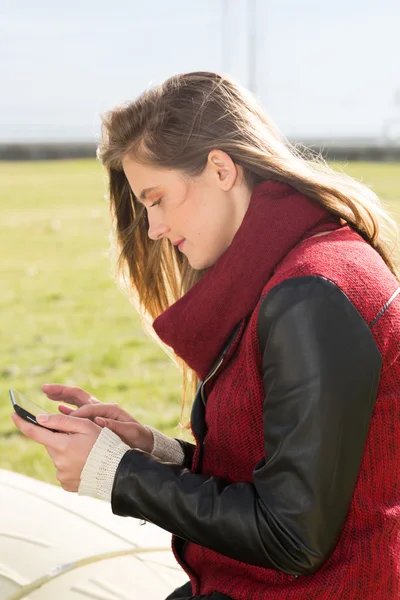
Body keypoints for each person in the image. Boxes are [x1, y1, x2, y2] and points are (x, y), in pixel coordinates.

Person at [12, 71, 400, 599]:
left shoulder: (311, 295)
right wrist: (154, 452)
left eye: (157, 199)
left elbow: (292, 536)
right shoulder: (291, 268)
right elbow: (283, 473)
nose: (152, 228)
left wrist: (117, 473)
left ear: (220, 169)